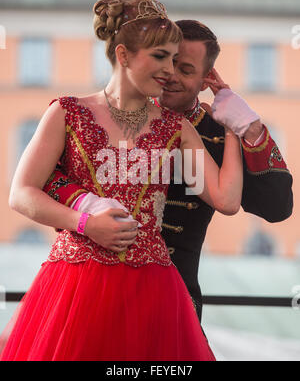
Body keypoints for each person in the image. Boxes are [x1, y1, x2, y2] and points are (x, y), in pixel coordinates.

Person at [0, 0, 244, 361]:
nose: (169, 70)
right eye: (160, 57)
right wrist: (83, 223)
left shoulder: (176, 129)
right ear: (123, 54)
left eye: (175, 59)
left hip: (153, 291)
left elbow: (225, 200)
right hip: (75, 287)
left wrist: (232, 126)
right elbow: (21, 192)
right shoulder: (68, 113)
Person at [44, 19, 293, 322]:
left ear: (206, 80)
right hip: (94, 286)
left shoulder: (219, 130)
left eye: (185, 69)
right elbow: (41, 180)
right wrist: (83, 210)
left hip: (174, 302)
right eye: (165, 60)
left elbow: (277, 207)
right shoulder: (102, 118)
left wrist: (250, 130)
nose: (170, 75)